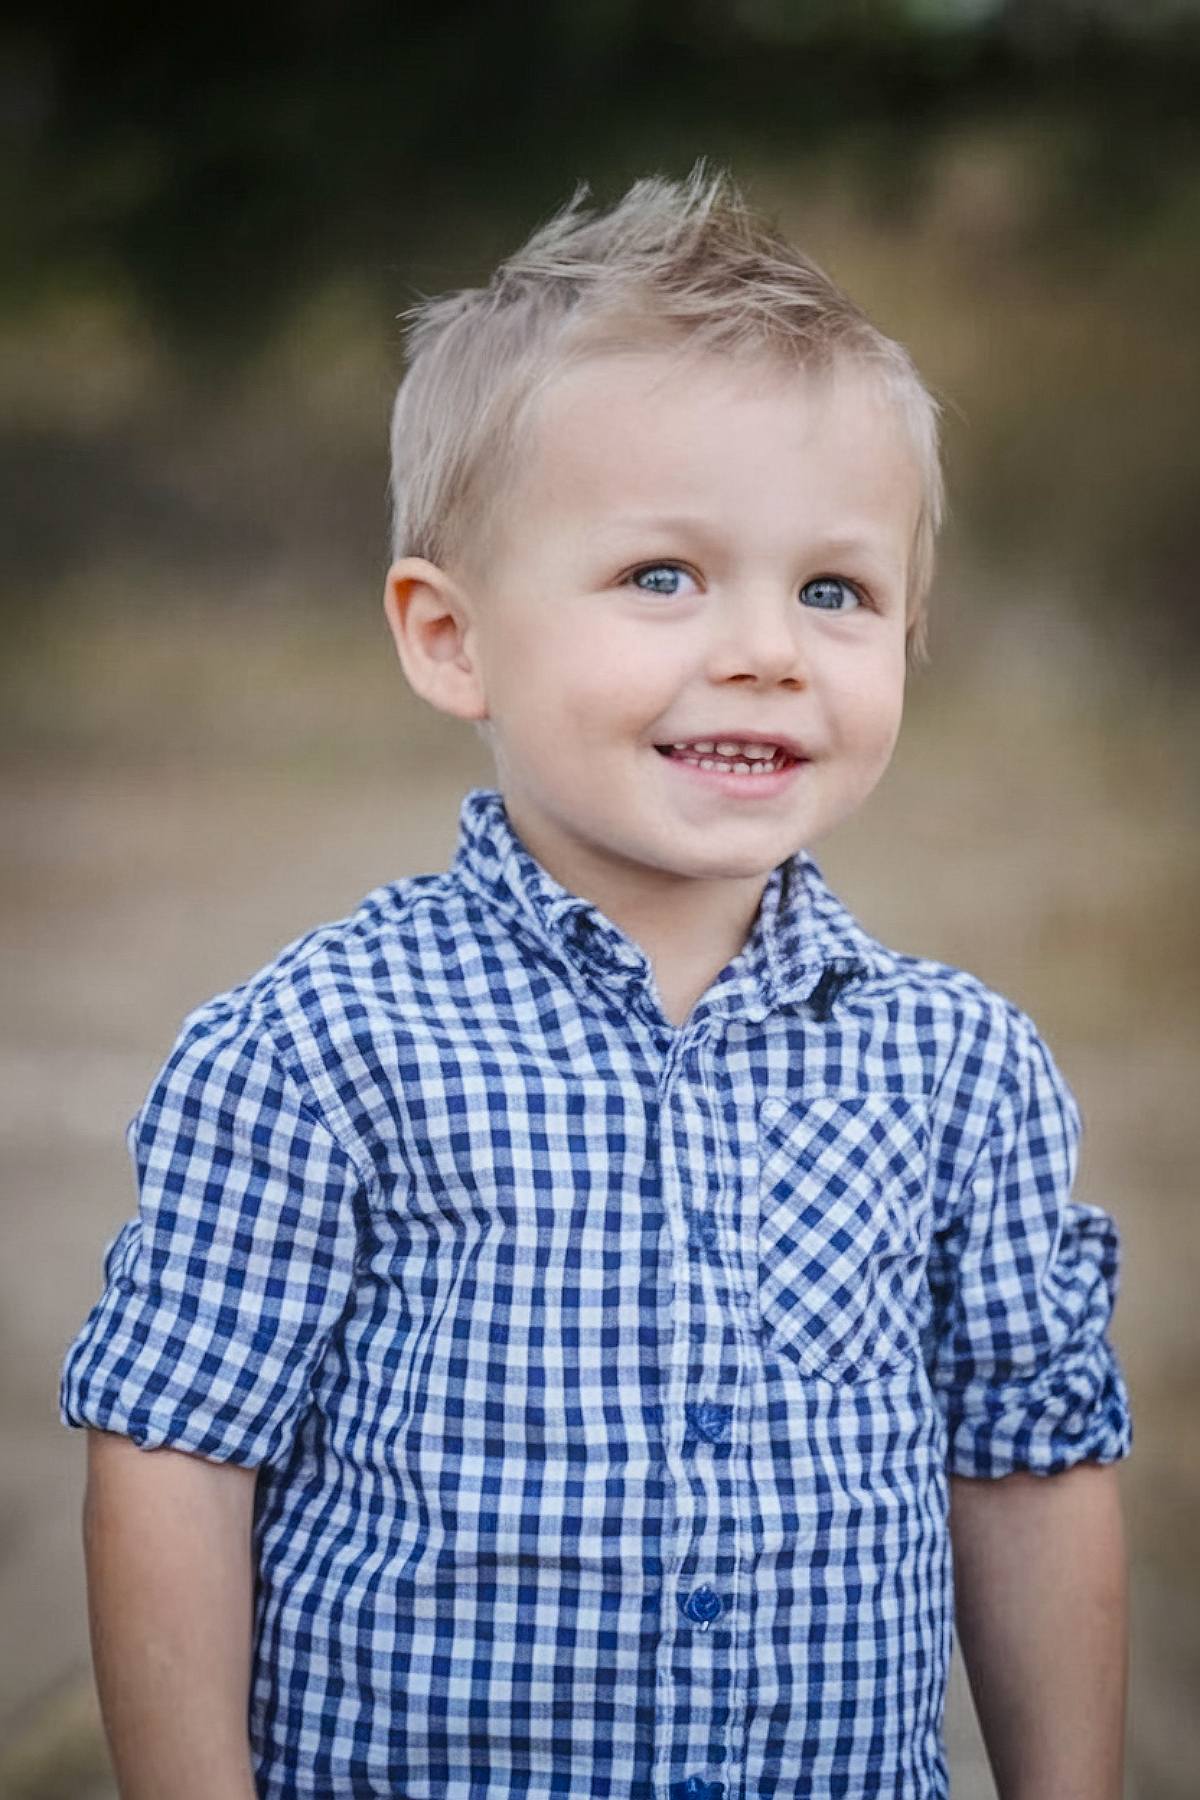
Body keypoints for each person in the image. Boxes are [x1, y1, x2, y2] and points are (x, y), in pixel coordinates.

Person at [61, 167, 1132, 1800]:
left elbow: (1031, 1466)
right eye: (663, 577)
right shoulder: (324, 1044)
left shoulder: (961, 1067)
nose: (768, 647)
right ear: (451, 639)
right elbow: (178, 1457)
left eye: (833, 590)